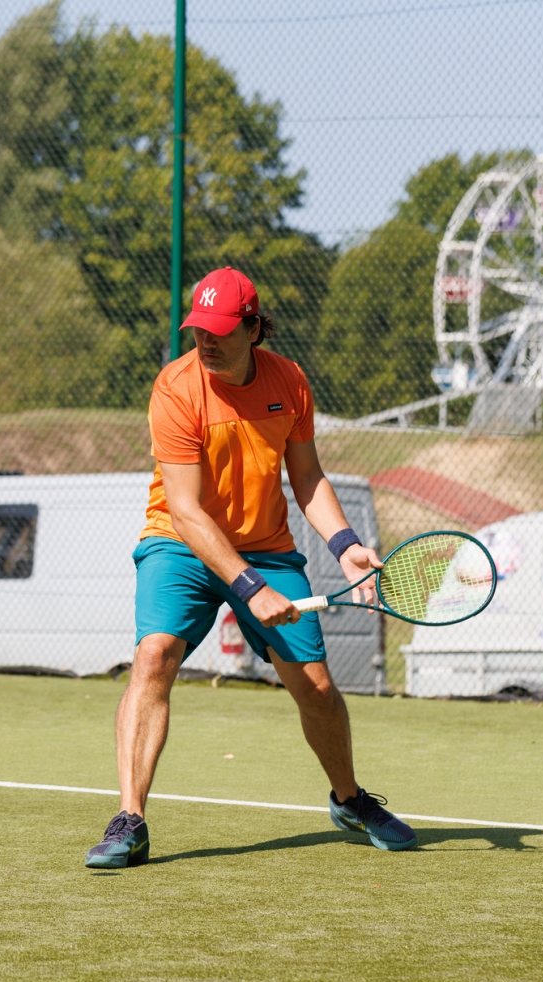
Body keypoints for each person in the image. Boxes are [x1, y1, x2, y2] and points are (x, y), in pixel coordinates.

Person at [86, 267, 416, 869]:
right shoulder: (176, 388)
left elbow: (307, 476)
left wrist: (345, 545)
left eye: (218, 331)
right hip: (180, 543)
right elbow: (186, 511)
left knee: (316, 686)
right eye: (198, 330)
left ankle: (348, 800)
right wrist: (249, 587)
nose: (205, 342)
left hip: (266, 547)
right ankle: (129, 820)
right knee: (153, 657)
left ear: (253, 328)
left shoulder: (289, 381)